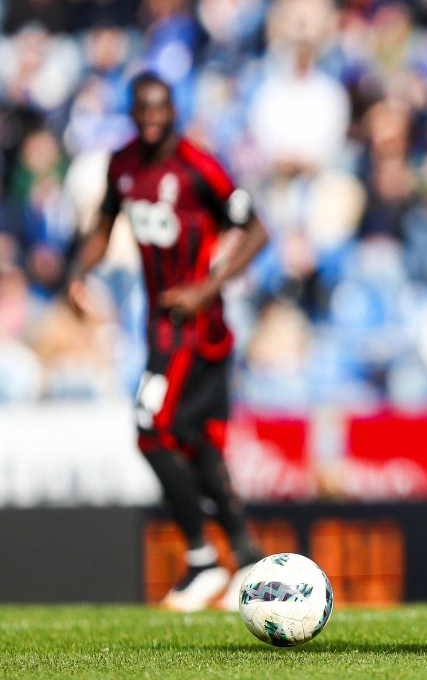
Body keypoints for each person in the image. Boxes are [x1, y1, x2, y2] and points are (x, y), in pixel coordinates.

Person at [67, 72, 269, 611]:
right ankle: (246, 557)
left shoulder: (199, 166)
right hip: (158, 322)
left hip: (196, 325)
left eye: (161, 109)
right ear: (132, 113)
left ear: (173, 110)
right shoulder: (123, 164)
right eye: (142, 111)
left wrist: (207, 286)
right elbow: (105, 221)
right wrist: (77, 272)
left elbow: (256, 230)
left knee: (151, 431)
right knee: (192, 439)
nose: (152, 119)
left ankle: (203, 560)